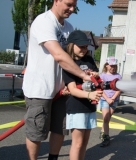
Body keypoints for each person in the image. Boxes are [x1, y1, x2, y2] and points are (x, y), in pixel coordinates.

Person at [22, 0, 92, 160]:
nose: (72, 9)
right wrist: (83, 75)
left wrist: (88, 71)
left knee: (60, 129)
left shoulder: (68, 28)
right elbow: (59, 56)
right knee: (36, 132)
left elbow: (74, 57)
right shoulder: (43, 22)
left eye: (74, 5)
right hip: (40, 89)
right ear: (56, 1)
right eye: (68, 4)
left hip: (62, 90)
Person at [62, 30, 103, 160]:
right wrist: (89, 95)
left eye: (86, 47)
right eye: (81, 46)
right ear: (71, 45)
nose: (84, 49)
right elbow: (72, 89)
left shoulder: (89, 59)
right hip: (77, 107)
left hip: (90, 107)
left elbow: (96, 77)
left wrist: (96, 75)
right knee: (77, 143)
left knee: (85, 143)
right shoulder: (68, 63)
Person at [99, 57, 122, 147]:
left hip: (114, 100)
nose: (113, 68)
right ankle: (106, 138)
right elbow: (100, 89)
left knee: (107, 119)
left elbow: (119, 89)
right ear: (107, 65)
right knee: (106, 118)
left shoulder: (118, 76)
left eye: (114, 66)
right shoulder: (103, 76)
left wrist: (113, 98)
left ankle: (102, 131)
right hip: (105, 99)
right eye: (111, 66)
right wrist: (107, 99)